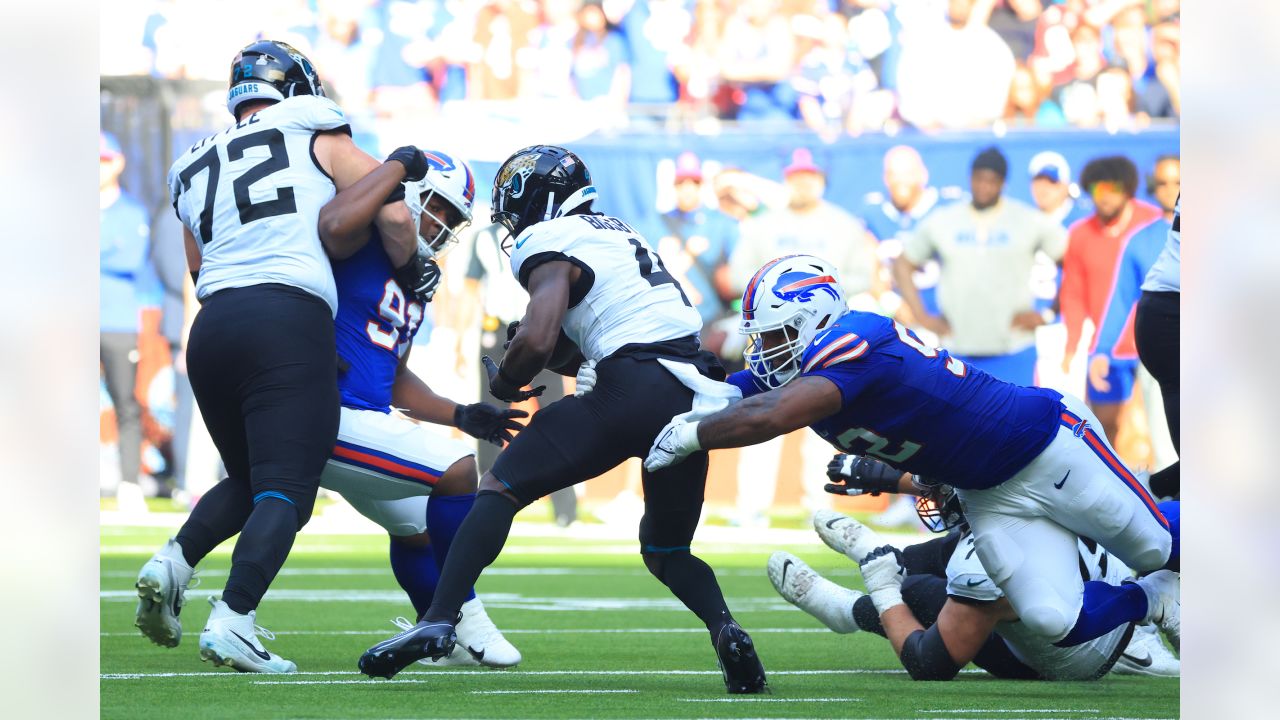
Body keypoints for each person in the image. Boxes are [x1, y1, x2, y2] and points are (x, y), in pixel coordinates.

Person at [357, 145, 768, 694]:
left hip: (631, 385)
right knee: (667, 550)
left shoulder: (549, 239)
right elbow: (576, 344)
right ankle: (726, 627)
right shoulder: (618, 231)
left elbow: (540, 333)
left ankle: (439, 618)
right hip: (690, 392)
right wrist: (549, 353)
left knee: (499, 486)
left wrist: (505, 381)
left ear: (537, 197)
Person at [646, 254, 1180, 656]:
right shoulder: (805, 371)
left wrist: (694, 436)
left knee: (1156, 543)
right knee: (1052, 620)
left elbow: (771, 414)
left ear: (816, 318)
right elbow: (724, 390)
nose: (767, 350)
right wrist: (641, 386)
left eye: (780, 334)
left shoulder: (861, 336)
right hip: (987, 495)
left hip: (1044, 444)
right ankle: (1155, 600)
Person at [133, 40, 437, 673]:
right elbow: (392, 215)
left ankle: (171, 562)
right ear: (298, 86)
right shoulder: (309, 121)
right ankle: (235, 617)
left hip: (214, 324)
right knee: (288, 488)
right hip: (286, 312)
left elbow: (196, 266)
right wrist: (414, 267)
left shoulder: (189, 163)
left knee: (247, 476)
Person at [314, 146, 523, 667]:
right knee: (457, 472)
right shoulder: (356, 240)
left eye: (453, 219)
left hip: (365, 413)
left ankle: (444, 634)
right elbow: (357, 217)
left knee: (413, 526)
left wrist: (459, 412)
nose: (443, 224)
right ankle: (451, 619)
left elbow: (395, 378)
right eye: (438, 207)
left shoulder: (418, 279)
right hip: (325, 410)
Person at [768, 454, 1178, 681]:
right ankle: (887, 556)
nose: (927, 494)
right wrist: (889, 478)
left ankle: (849, 607)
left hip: (1069, 658)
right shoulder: (1048, 479)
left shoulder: (992, 557)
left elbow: (928, 663)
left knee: (917, 592)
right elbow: (979, 476)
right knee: (952, 548)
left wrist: (881, 587)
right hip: (1096, 577)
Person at [728, 147, 883, 526]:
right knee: (761, 414)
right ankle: (751, 506)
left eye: (809, 176)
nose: (802, 183)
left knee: (822, 421)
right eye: (796, 176)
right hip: (774, 339)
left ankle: (819, 504)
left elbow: (867, 276)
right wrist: (778, 297)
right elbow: (736, 274)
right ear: (787, 179)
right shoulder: (764, 224)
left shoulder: (844, 224)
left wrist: (817, 293)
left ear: (821, 180)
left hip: (827, 337)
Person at [894, 146, 1066, 386]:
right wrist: (922, 316)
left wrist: (1049, 313)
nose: (984, 186)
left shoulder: (1027, 219)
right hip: (958, 350)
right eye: (979, 179)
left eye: (992, 180)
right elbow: (903, 264)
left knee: (1015, 422)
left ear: (1003, 183)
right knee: (956, 423)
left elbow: (1073, 263)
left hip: (1014, 348)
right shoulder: (945, 220)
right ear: (970, 178)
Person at [1090, 156, 1180, 499]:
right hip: (1164, 338)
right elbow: (1122, 298)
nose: (1170, 189)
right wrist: (1102, 350)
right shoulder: (1141, 239)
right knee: (1165, 444)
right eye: (1163, 182)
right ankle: (1158, 512)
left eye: (1177, 181)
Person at [1060, 156, 1161, 442]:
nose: (1104, 196)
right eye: (1096, 189)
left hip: (1152, 343)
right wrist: (1072, 345)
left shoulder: (1154, 223)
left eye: (1112, 187)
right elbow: (1073, 292)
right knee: (1103, 428)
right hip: (1107, 349)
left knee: (1151, 432)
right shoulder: (1080, 233)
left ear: (1128, 188)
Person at [100, 132, 152, 503]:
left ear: (117, 162)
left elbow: (130, 259)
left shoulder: (132, 211)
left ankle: (129, 482)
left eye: (102, 159)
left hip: (118, 321)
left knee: (126, 403)